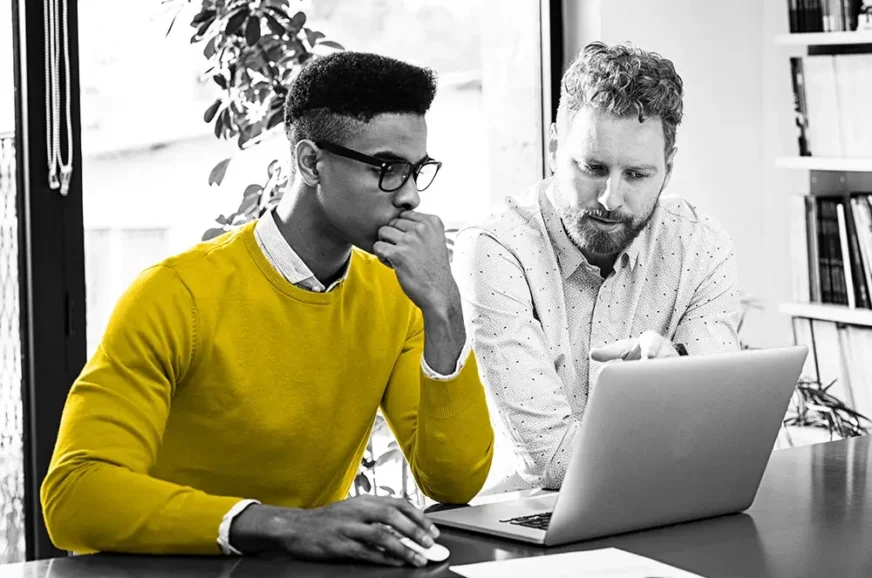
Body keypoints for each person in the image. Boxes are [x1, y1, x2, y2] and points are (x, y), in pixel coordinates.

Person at [41, 51, 494, 567]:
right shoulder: (173, 294)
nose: (411, 195)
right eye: (388, 169)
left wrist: (445, 311)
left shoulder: (397, 294)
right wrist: (280, 525)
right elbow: (76, 496)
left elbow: (453, 481)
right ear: (310, 162)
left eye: (417, 170)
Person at [452, 41, 739, 491]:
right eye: (592, 167)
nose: (610, 199)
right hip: (524, 519)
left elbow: (720, 427)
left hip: (663, 507)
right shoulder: (495, 247)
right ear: (553, 148)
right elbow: (551, 461)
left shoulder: (701, 245)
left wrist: (682, 375)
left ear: (668, 169)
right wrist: (677, 414)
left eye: (638, 175)